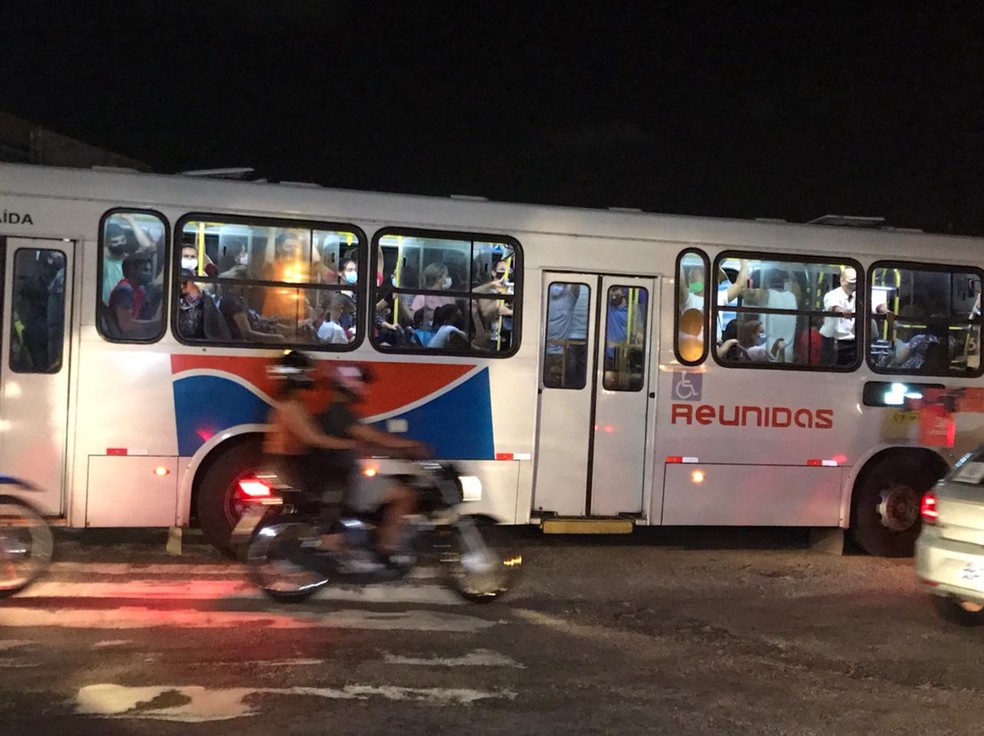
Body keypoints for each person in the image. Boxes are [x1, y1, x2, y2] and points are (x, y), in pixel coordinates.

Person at [310, 362, 431, 565]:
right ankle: (387, 550)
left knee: (390, 488)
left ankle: (375, 537)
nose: (364, 389)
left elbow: (366, 447)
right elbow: (376, 437)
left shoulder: (334, 413)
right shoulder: (339, 414)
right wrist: (413, 445)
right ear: (349, 384)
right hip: (347, 478)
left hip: (341, 475)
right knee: (407, 495)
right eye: (361, 383)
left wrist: (399, 454)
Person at [106, 254, 161, 339]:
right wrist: (157, 325)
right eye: (145, 270)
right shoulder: (125, 290)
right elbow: (125, 325)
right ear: (132, 270)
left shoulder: (139, 290)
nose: (149, 274)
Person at [819, 266, 858, 366]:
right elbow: (833, 306)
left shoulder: (860, 296)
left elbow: (875, 304)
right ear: (842, 280)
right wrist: (842, 311)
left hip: (853, 341)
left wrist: (884, 310)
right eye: (851, 282)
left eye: (855, 282)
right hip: (833, 341)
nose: (854, 285)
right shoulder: (832, 295)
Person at [410, 262, 456, 328]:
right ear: (438, 279)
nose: (448, 278)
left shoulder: (450, 297)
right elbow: (414, 318)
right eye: (446, 275)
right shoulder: (422, 297)